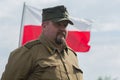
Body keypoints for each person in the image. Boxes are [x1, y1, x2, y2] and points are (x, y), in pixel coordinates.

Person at [1, 5, 83, 80]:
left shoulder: (72, 55)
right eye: (58, 24)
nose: (62, 29)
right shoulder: (28, 52)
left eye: (65, 25)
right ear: (44, 26)